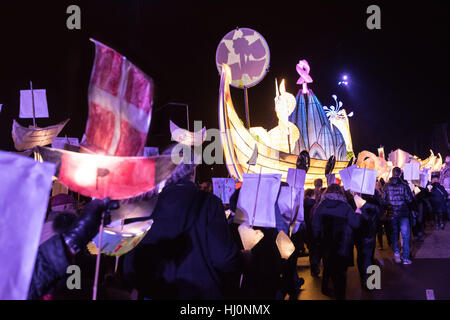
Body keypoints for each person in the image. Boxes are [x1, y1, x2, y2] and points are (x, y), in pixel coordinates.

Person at [122, 162, 241, 299]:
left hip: (155, 294)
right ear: (192, 172)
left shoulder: (146, 206)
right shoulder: (209, 203)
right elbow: (224, 259)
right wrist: (243, 260)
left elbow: (130, 268)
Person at [28, 198, 117, 299]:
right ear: (65, 207)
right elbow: (73, 280)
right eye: (72, 206)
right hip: (64, 281)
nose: (75, 209)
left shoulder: (42, 226)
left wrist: (74, 238)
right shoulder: (64, 223)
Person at [312, 184, 361, 300]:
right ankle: (340, 295)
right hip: (342, 245)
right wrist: (358, 213)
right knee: (341, 273)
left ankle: (325, 288)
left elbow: (315, 227)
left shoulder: (321, 206)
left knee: (328, 266)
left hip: (327, 245)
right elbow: (356, 224)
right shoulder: (346, 207)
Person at [383, 167, 414, 264]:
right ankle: (405, 258)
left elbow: (383, 200)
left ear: (392, 174)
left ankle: (396, 252)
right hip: (403, 212)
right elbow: (409, 200)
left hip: (391, 212)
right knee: (405, 235)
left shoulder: (386, 186)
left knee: (394, 233)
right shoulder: (405, 186)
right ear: (400, 174)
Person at [354, 192, 383, 288]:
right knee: (368, 256)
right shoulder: (373, 200)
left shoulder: (353, 200)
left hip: (359, 232)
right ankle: (367, 281)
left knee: (361, 255)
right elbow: (380, 212)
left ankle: (364, 278)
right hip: (369, 232)